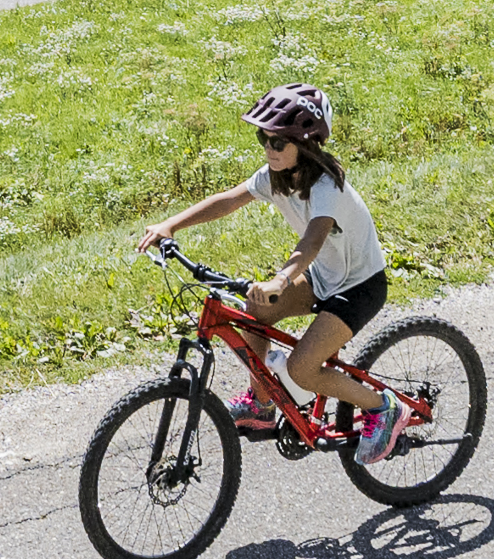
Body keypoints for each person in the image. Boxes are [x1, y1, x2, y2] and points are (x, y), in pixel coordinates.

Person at [141, 82, 405, 451]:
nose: (268, 148)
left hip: (359, 287)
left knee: (302, 369)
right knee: (255, 310)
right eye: (262, 138)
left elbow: (312, 241)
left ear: (306, 142)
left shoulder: (328, 187)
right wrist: (171, 224)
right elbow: (228, 200)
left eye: (278, 142)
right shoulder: (275, 177)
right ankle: (261, 403)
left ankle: (383, 407)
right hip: (323, 277)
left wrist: (280, 280)